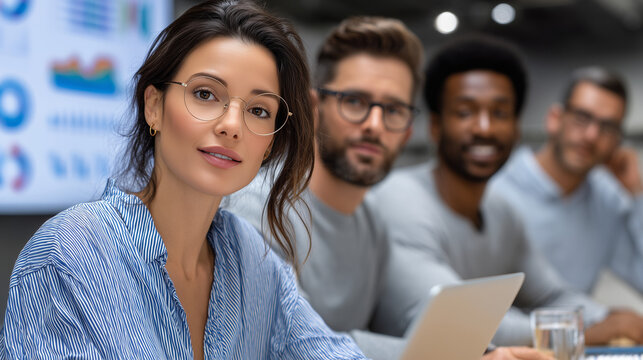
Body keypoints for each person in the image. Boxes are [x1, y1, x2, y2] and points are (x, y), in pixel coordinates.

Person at [0, 1, 367, 359]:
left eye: (258, 110)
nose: (232, 126)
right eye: (205, 94)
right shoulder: (70, 253)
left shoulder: (253, 259)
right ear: (154, 107)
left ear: (270, 144)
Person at [226, 18, 552, 360]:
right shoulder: (261, 208)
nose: (374, 125)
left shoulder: (372, 221)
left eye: (393, 110)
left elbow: (420, 311)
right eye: (355, 102)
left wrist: (481, 351)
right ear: (313, 109)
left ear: (408, 130)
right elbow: (294, 342)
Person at [370, 35, 643, 347]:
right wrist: (583, 333)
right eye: (465, 112)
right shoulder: (400, 199)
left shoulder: (501, 212)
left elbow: (551, 295)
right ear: (435, 126)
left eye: (499, 114)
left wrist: (610, 319)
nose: (484, 128)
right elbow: (455, 323)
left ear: (516, 129)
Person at [488, 67, 643, 296]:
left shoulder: (606, 202)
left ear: (617, 142)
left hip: (578, 330)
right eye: (582, 118)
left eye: (608, 127)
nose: (592, 135)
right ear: (554, 119)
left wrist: (637, 195)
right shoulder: (495, 190)